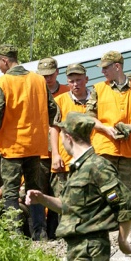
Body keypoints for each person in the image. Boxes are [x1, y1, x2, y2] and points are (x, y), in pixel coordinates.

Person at [26, 112, 131, 261]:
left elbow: (126, 203)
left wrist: (123, 241)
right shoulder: (78, 168)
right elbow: (69, 207)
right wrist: (43, 199)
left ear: (68, 137)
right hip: (77, 249)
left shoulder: (97, 166)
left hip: (91, 249)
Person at [0, 44, 59, 240]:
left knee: (10, 191)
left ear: (5, 60)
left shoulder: (4, 82)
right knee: (34, 188)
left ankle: (15, 235)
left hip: (12, 146)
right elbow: (53, 109)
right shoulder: (38, 79)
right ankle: (40, 233)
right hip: (35, 145)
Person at [86, 50, 131, 228]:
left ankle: (128, 230)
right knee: (107, 190)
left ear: (117, 66)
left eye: (105, 68)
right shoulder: (99, 89)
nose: (102, 72)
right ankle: (108, 227)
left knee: (128, 191)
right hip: (106, 148)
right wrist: (105, 129)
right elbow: (89, 117)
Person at [37, 57, 70, 239]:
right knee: (40, 194)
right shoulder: (35, 93)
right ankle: (41, 237)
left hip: (61, 152)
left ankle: (59, 234)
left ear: (57, 72)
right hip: (40, 151)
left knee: (60, 195)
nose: (47, 79)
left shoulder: (66, 92)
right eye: (43, 76)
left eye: (50, 75)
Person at [51, 63, 90, 196]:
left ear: (86, 79)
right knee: (64, 205)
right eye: (71, 81)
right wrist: (55, 155)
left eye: (78, 80)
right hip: (67, 161)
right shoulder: (60, 101)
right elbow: (54, 129)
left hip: (91, 160)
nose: (75, 84)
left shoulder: (96, 100)